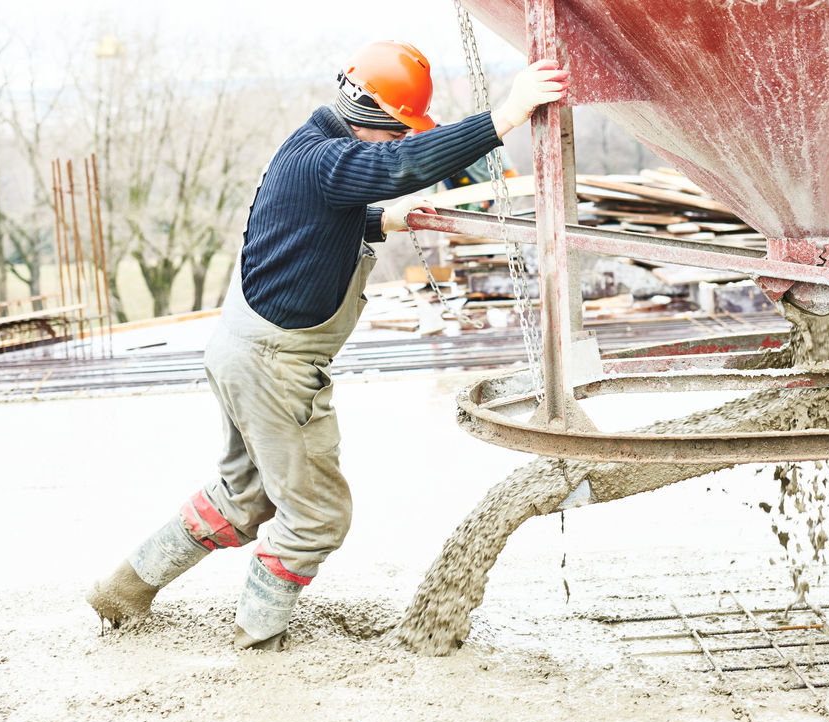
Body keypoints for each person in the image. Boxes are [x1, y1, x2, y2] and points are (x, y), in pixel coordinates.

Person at [86, 40, 568, 650]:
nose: (397, 143)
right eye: (396, 132)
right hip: (274, 365)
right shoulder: (326, 160)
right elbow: (400, 167)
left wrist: (383, 221)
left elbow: (310, 221)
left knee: (246, 496)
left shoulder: (306, 148)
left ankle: (123, 589)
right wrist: (507, 114)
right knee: (316, 517)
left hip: (242, 348)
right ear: (375, 117)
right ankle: (258, 642)